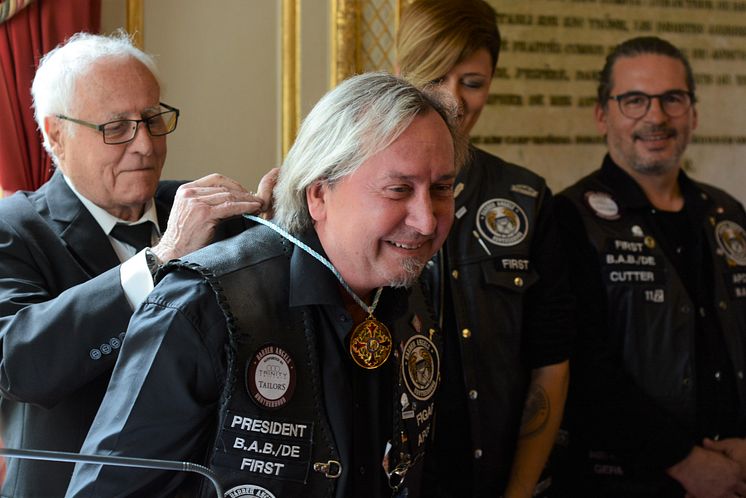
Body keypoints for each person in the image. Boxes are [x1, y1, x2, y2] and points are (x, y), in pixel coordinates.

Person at [65, 72, 466, 498]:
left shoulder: (412, 287)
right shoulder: (201, 304)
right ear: (319, 195)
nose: (427, 220)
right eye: (398, 190)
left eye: (441, 188)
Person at [0, 31, 273, 497]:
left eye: (152, 118)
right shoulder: (16, 227)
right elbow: (18, 363)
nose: (145, 144)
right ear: (56, 134)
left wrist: (291, 215)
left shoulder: (207, 211)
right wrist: (158, 261)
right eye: (116, 127)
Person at [396, 1, 574, 497]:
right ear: (400, 73)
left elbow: (551, 357)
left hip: (490, 475)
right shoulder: (351, 188)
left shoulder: (526, 196)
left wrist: (518, 492)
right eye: (434, 76)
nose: (452, 100)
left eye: (473, 82)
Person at [554, 36, 746, 497]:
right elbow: (580, 371)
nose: (656, 117)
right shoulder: (568, 218)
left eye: (672, 99)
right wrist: (684, 460)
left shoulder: (729, 214)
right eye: (634, 100)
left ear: (693, 113)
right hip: (627, 484)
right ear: (603, 115)